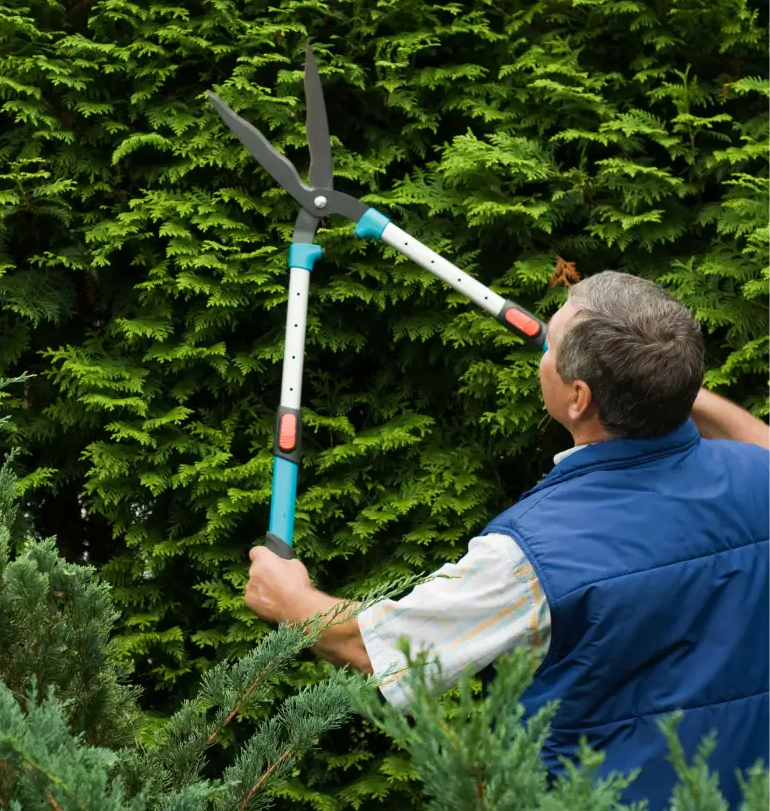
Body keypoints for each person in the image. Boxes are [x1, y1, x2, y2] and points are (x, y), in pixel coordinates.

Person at [244, 271, 770, 809]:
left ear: (579, 398)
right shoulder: (759, 477)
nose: (542, 351)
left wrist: (291, 602)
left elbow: (379, 651)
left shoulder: (532, 555)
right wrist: (665, 382)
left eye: (552, 345)